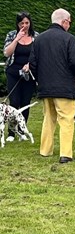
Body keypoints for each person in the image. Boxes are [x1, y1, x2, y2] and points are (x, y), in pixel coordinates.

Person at [29, 8, 75, 164]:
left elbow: (32, 63)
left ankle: (45, 150)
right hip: (64, 86)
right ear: (65, 22)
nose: (70, 25)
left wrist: (41, 78)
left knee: (49, 118)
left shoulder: (38, 40)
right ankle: (65, 154)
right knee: (66, 119)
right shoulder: (69, 39)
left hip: (45, 87)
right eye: (70, 22)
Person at [3, 11, 39, 142]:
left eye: (27, 23)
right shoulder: (12, 34)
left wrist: (30, 64)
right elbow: (6, 53)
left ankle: (22, 130)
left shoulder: (36, 36)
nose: (24, 25)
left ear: (30, 23)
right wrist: (17, 39)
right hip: (13, 72)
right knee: (14, 102)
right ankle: (11, 132)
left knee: (25, 102)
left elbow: (39, 55)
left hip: (28, 73)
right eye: (21, 23)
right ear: (18, 24)